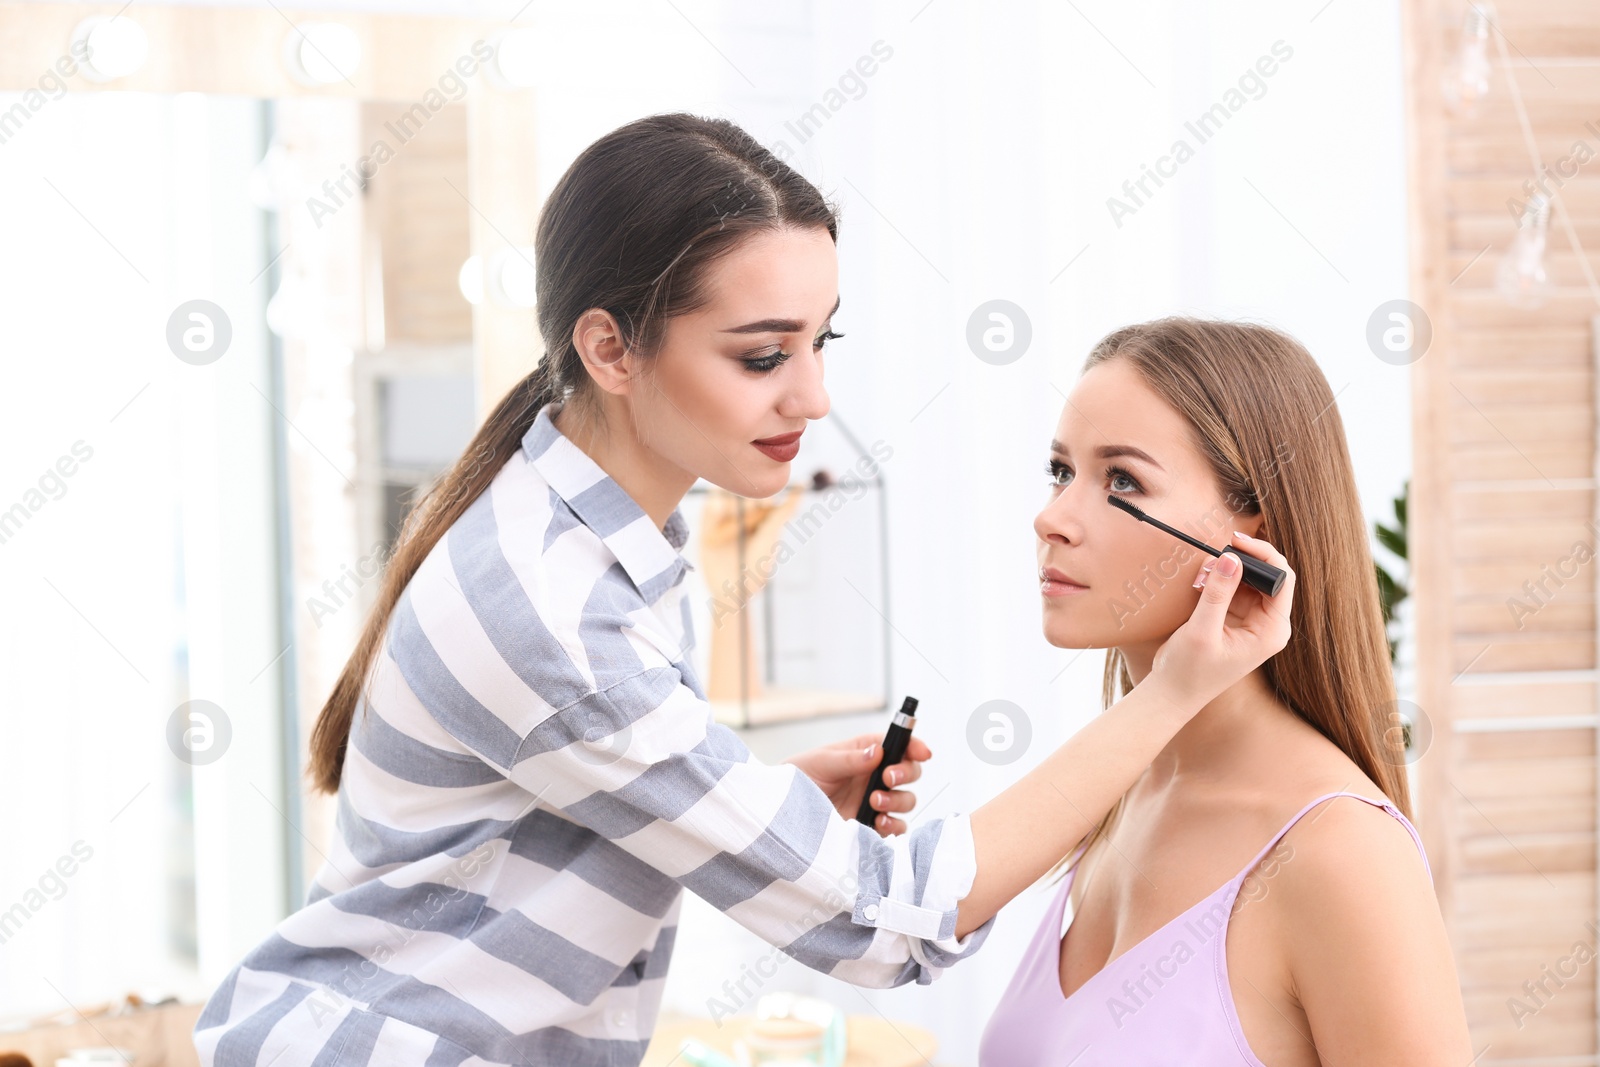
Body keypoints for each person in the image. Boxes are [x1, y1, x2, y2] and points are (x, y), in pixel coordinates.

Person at [192, 116, 1294, 1067]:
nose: (813, 394)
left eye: (823, 340)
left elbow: (553, 805)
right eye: (763, 355)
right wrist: (1171, 694)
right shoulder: (552, 608)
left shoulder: (594, 532)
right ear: (611, 350)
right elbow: (888, 921)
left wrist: (753, 798)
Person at [979, 317, 1471, 1065]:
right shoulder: (1122, 796)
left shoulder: (1340, 851)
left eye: (1122, 481)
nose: (1052, 518)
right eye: (1060, 471)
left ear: (1248, 545)